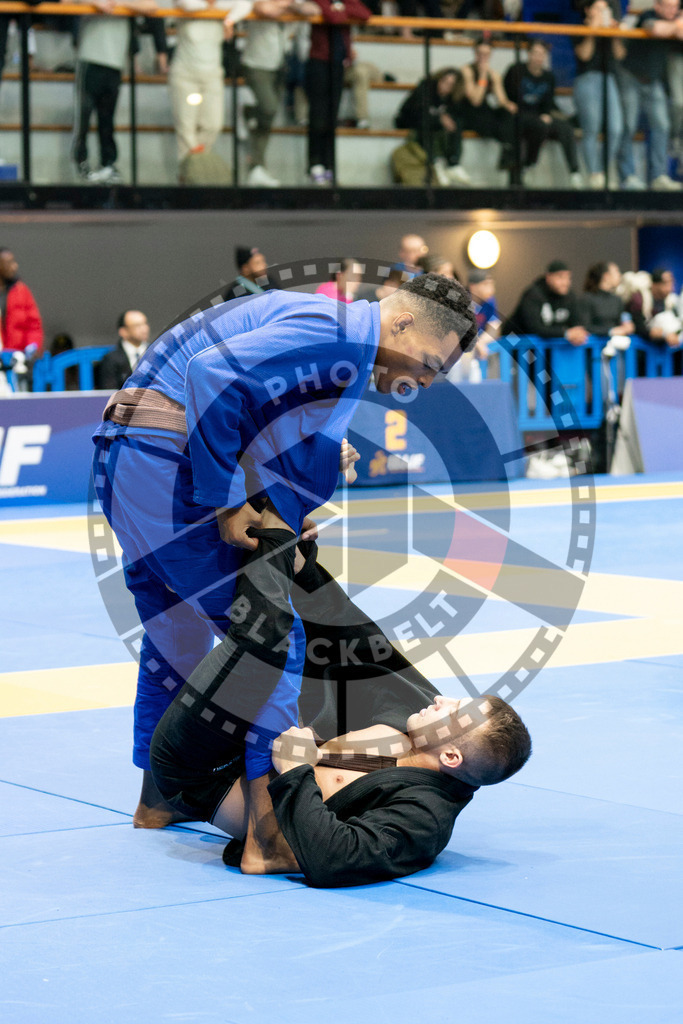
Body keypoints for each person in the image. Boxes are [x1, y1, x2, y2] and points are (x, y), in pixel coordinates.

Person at [92, 274, 478, 829]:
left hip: (133, 460)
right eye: (428, 362)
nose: (423, 380)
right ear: (402, 323)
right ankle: (268, 829)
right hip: (168, 466)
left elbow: (261, 428)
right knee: (273, 640)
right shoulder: (341, 335)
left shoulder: (340, 350)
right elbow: (211, 374)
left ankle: (159, 802)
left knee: (177, 631)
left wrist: (285, 515)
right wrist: (227, 500)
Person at [149, 538, 531, 885]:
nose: (442, 700)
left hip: (199, 773)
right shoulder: (414, 716)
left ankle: (266, 533)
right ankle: (270, 535)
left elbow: (337, 858)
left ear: (451, 756)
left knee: (264, 640)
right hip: (244, 740)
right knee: (274, 596)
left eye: (454, 712)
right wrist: (306, 571)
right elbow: (359, 642)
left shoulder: (424, 819)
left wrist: (296, 771)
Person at [71, 0, 159, 184]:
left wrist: (118, 2)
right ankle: (81, 162)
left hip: (115, 61)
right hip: (90, 56)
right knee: (83, 116)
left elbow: (151, 6)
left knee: (107, 118)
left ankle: (108, 164)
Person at [241, 0, 318, 187]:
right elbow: (265, 9)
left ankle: (257, 166)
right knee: (269, 107)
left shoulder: (289, 4)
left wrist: (292, 6)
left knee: (268, 118)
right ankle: (247, 112)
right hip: (256, 64)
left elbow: (313, 9)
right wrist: (289, 6)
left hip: (279, 65)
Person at [168, 0, 252, 169]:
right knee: (186, 128)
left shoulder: (222, 7)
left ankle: (198, 166)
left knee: (213, 124)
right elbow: (187, 4)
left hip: (213, 75)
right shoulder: (203, 5)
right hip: (185, 74)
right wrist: (211, 7)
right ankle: (189, 175)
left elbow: (245, 4)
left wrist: (229, 20)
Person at [617, 0, 683, 191]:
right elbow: (654, 28)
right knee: (628, 125)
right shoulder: (648, 14)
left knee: (662, 125)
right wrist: (677, 25)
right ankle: (627, 176)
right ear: (657, 6)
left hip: (653, 82)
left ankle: (658, 176)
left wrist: (673, 27)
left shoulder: (672, 21)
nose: (672, 10)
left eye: (675, 6)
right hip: (631, 77)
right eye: (668, 6)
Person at [305, 0, 372, 185]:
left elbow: (365, 14)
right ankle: (315, 163)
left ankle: (329, 164)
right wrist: (340, 12)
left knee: (332, 115)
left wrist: (341, 8)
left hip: (339, 62)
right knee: (318, 114)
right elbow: (331, 16)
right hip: (319, 61)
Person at [502, 40, 582, 189]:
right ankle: (528, 165)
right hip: (520, 116)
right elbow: (508, 96)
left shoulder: (549, 77)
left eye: (542, 54)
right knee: (539, 126)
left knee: (565, 128)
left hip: (540, 116)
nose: (538, 57)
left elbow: (548, 102)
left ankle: (574, 172)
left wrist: (546, 113)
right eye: (535, 53)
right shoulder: (516, 70)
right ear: (529, 54)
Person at [572, 0, 625, 190]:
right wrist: (593, 30)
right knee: (591, 128)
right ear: (588, 10)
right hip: (586, 79)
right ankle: (594, 174)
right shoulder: (579, 29)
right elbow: (584, 55)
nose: (602, 12)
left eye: (605, 9)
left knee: (616, 128)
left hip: (608, 79)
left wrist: (615, 33)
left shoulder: (609, 30)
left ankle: (602, 171)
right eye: (598, 8)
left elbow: (620, 55)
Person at [394, 68, 471, 187]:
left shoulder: (452, 99)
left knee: (455, 124)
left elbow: (460, 115)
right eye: (444, 81)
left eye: (451, 85)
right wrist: (438, 118)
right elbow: (414, 113)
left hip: (434, 125)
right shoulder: (425, 89)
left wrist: (445, 120)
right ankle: (436, 161)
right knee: (432, 124)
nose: (445, 86)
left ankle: (453, 162)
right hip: (410, 121)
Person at [460, 40, 519, 185]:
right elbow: (475, 100)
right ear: (475, 53)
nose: (483, 57)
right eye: (480, 53)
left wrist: (509, 105)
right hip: (468, 112)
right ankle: (507, 148)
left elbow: (501, 99)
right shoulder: (467, 71)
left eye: (486, 54)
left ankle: (508, 151)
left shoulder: (493, 74)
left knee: (509, 115)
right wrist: (483, 76)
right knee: (489, 121)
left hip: (484, 111)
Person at [504, 260, 589, 345]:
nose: (565, 282)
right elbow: (534, 327)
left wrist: (578, 333)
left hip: (542, 347)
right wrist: (566, 333)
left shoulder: (570, 296)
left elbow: (578, 322)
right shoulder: (533, 294)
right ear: (548, 277)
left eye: (568, 278)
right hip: (514, 342)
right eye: (560, 277)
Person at [448, 268, 497, 382]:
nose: (491, 288)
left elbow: (495, 327)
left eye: (491, 284)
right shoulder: (460, 299)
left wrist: (480, 342)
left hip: (477, 350)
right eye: (485, 284)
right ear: (473, 287)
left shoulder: (490, 301)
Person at [625, 267, 682, 347]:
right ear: (654, 284)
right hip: (640, 345)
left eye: (671, 283)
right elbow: (638, 327)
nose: (670, 288)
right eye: (665, 284)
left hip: (663, 347)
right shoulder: (640, 299)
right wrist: (659, 333)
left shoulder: (670, 301)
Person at [0, 248, 43, 354]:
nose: (15, 266)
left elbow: (34, 324)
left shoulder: (21, 291)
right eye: (9, 263)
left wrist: (32, 344)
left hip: (18, 356)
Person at [96, 310, 151, 390]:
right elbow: (108, 390)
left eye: (145, 324)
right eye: (137, 325)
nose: (144, 329)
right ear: (123, 331)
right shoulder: (110, 359)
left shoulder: (155, 352)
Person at [579, 262, 636, 337]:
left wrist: (627, 326)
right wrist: (610, 331)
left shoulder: (617, 300)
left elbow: (623, 321)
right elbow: (585, 327)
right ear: (606, 276)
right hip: (594, 343)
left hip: (616, 342)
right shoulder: (587, 299)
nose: (620, 275)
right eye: (616, 271)